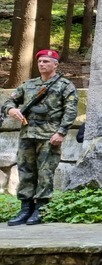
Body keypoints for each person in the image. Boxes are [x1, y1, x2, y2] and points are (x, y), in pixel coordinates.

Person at [2, 50, 78, 226]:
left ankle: (40, 209)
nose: (42, 64)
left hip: (49, 136)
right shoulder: (28, 85)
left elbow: (71, 110)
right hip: (28, 134)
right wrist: (11, 110)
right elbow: (9, 101)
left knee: (45, 173)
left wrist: (61, 132)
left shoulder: (64, 85)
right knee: (26, 171)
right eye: (40, 61)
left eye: (46, 61)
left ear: (55, 64)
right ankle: (25, 208)